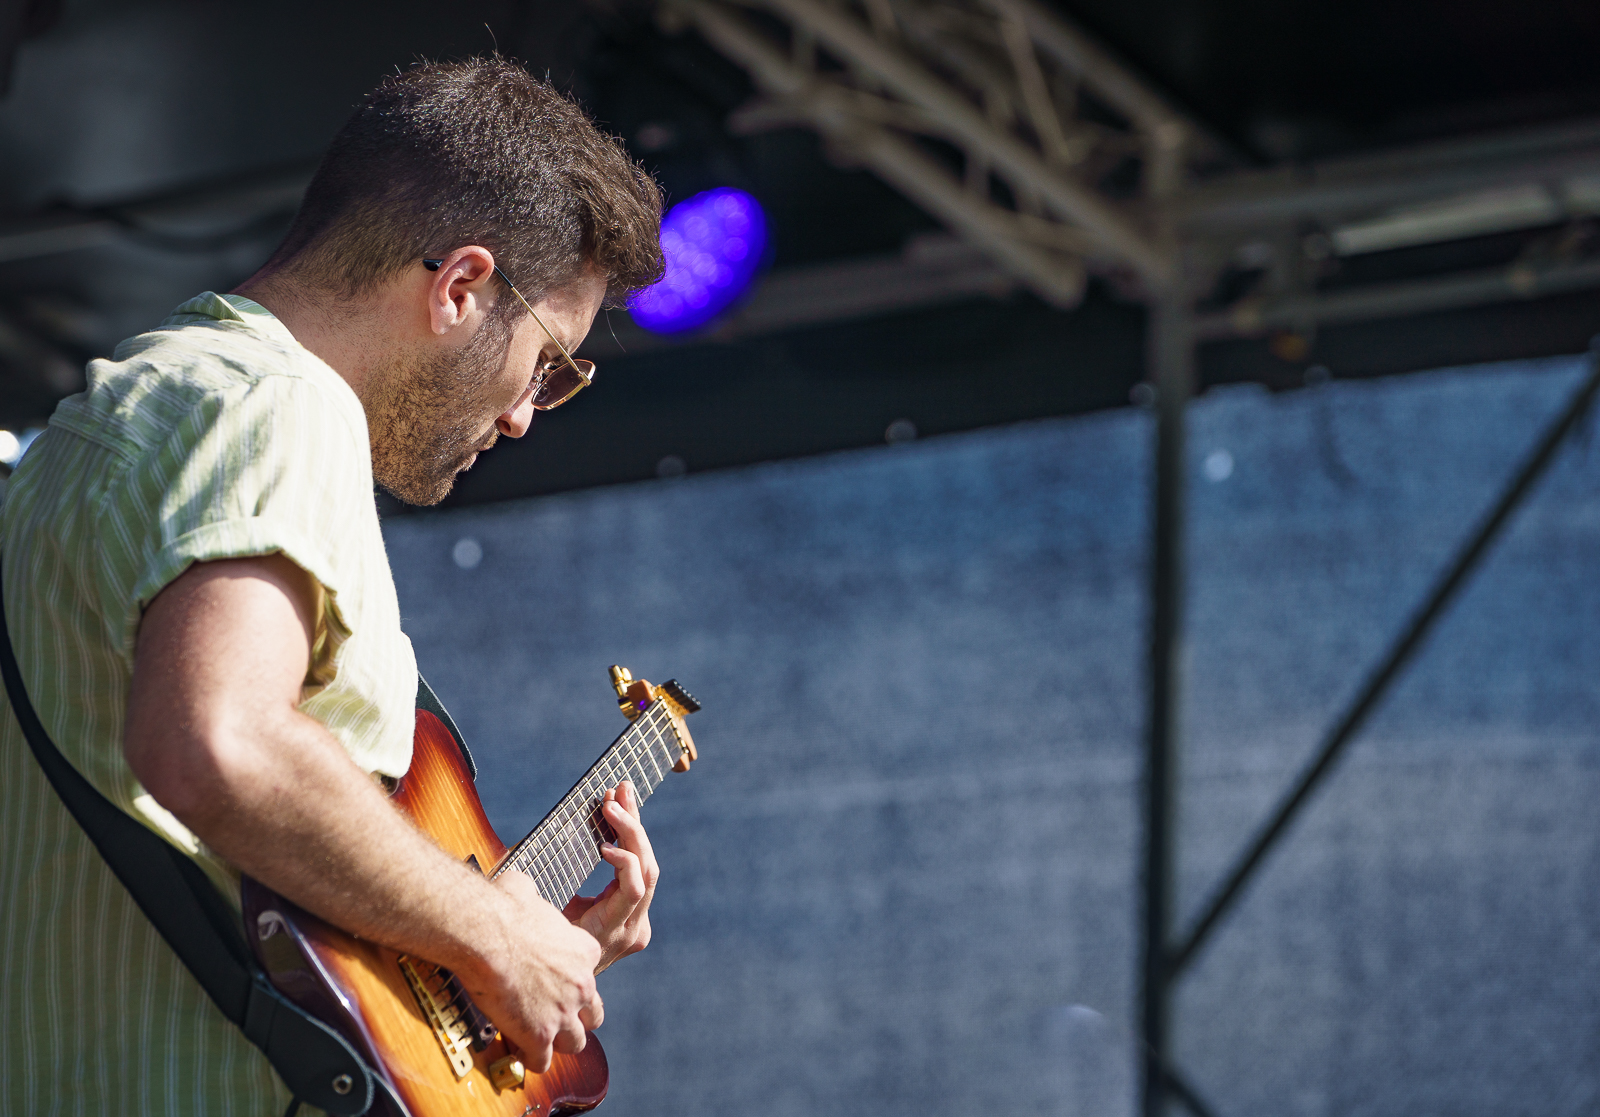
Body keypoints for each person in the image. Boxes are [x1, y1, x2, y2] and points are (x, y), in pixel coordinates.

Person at [0, 56, 665, 1115]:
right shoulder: (277, 403)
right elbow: (222, 744)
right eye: (549, 365)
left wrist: (481, 959)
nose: (523, 417)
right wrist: (494, 933)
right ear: (459, 288)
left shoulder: (102, 431)